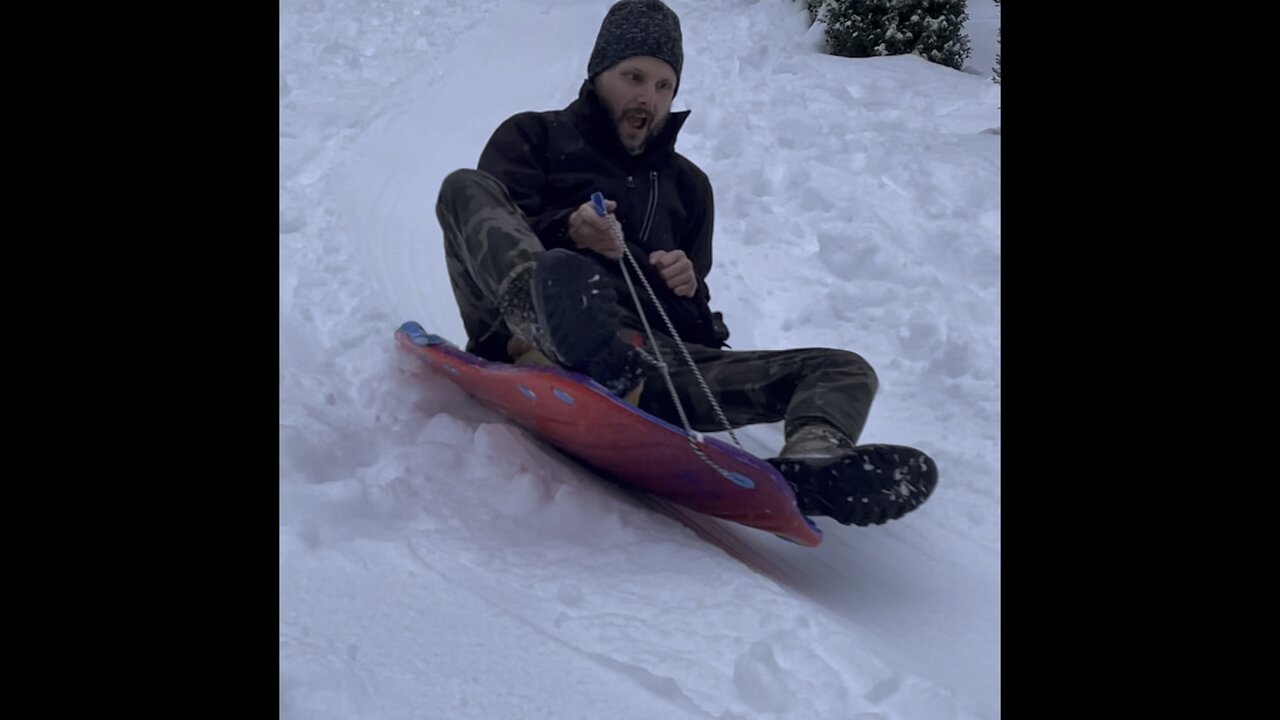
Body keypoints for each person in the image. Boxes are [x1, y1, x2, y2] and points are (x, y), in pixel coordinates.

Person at [436, 0, 936, 527]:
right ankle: (546, 328)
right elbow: (492, 222)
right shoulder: (533, 136)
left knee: (843, 368)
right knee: (463, 187)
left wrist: (686, 286)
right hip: (516, 326)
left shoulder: (690, 189)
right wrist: (566, 229)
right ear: (598, 72)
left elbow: (697, 328)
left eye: (663, 86)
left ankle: (812, 464)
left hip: (639, 366)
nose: (646, 97)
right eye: (633, 76)